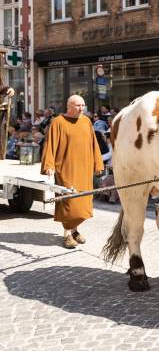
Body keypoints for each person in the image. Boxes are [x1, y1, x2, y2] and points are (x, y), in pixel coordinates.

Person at [41, 95, 104, 249]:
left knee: (83, 205)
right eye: (78, 105)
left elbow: (93, 144)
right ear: (69, 106)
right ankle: (68, 234)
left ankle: (75, 230)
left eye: (83, 105)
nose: (81, 108)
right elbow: (51, 144)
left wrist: (98, 163)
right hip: (66, 169)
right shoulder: (58, 122)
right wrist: (49, 165)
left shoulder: (86, 121)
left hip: (85, 168)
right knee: (69, 203)